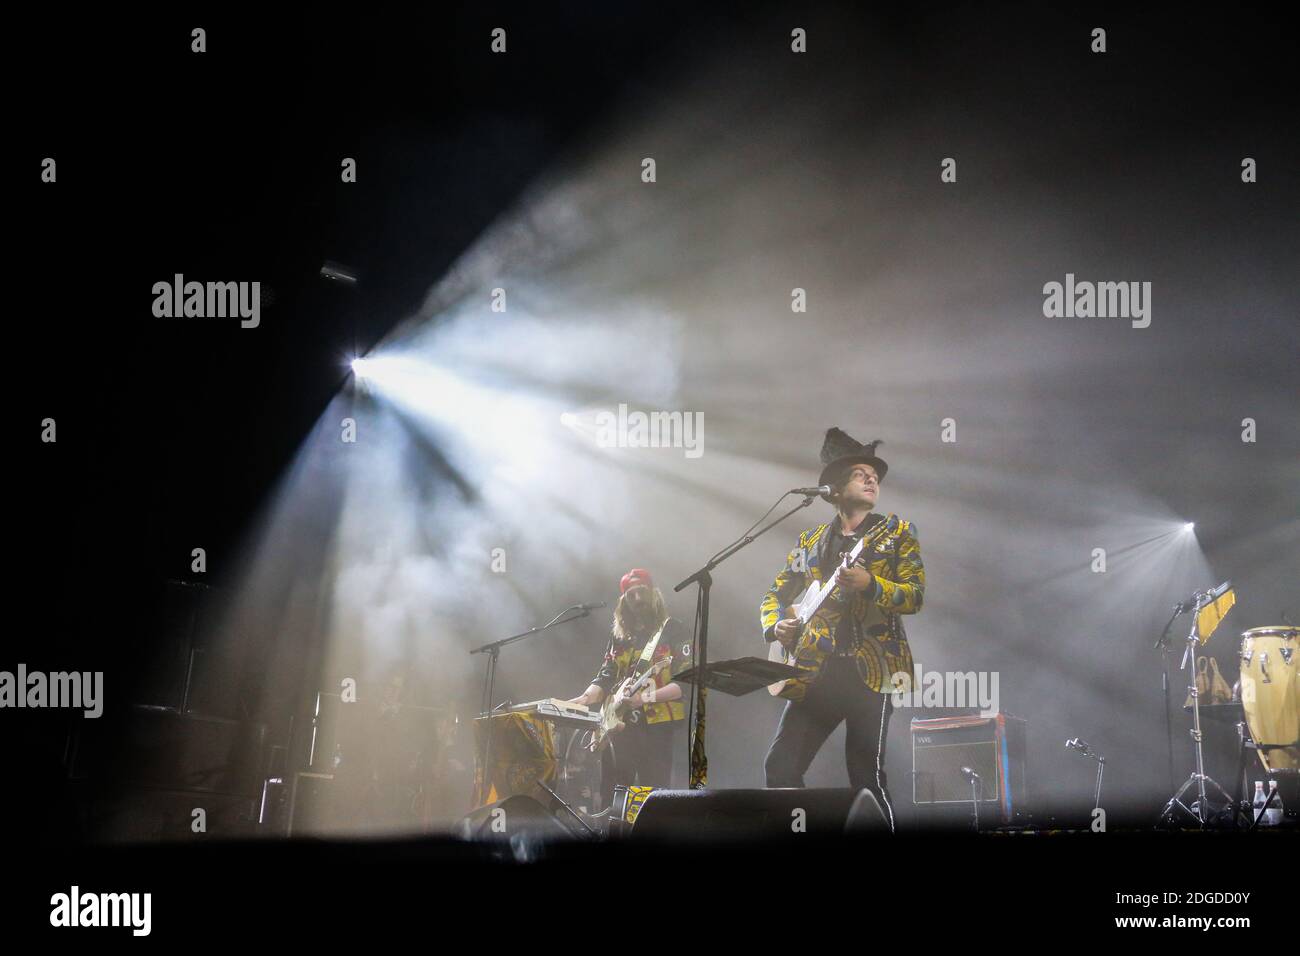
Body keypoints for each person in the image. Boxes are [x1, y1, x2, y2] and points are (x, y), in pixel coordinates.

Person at [760, 429, 925, 830]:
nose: (872, 480)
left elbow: (914, 596)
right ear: (833, 489)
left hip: (874, 673)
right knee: (779, 767)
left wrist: (873, 585)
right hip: (817, 673)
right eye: (860, 473)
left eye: (875, 475)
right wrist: (775, 626)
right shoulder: (810, 541)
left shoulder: (896, 533)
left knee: (866, 776)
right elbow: (773, 594)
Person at [569, 569, 689, 794]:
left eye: (641, 592)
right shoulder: (619, 636)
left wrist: (643, 699)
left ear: (654, 594)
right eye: (630, 595)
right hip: (619, 727)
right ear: (623, 602)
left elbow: (685, 683)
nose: (637, 599)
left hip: (657, 728)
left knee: (653, 796)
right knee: (612, 794)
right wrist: (584, 698)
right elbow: (607, 674)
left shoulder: (673, 629)